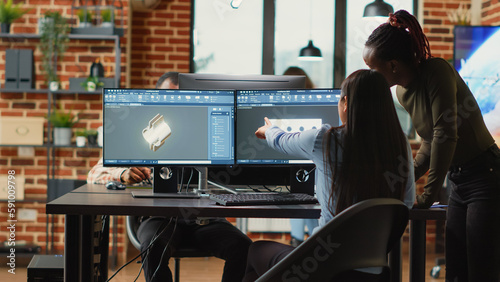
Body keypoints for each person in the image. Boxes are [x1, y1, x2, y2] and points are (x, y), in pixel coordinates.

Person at [363, 10, 500, 282]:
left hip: (486, 175)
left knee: (481, 269)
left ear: (392, 65)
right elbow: (428, 141)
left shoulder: (437, 71)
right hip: (459, 180)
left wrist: (427, 196)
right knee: (457, 271)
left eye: (372, 68)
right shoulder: (402, 92)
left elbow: (445, 134)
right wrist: (405, 181)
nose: (370, 74)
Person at [242, 69, 416, 281]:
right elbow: (405, 205)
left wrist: (268, 130)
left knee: (254, 250)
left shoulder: (325, 140)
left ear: (345, 103)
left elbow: (283, 140)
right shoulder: (401, 145)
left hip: (320, 268)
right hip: (373, 273)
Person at [88, 71, 252, 282]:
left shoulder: (206, 130)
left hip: (205, 218)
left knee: (243, 248)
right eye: (168, 98)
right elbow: (94, 173)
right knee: (153, 249)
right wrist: (122, 174)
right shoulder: (142, 133)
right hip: (158, 217)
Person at [282, 66, 319, 247]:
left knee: (302, 199)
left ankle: (297, 241)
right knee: (307, 201)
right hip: (308, 162)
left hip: (306, 160)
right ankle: (308, 240)